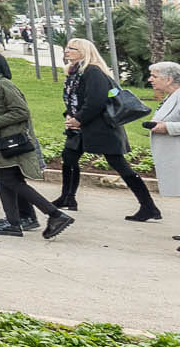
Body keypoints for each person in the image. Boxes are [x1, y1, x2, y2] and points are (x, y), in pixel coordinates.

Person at [56, 37, 161, 221]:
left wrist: (78, 119)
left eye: (71, 48)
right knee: (69, 158)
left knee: (119, 164)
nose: (66, 51)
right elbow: (75, 99)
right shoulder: (75, 72)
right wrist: (69, 115)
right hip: (82, 127)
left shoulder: (92, 71)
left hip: (102, 127)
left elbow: (96, 101)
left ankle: (149, 207)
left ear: (84, 52)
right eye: (67, 47)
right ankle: (68, 198)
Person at [0, 51, 73, 241]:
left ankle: (55, 214)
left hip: (9, 142)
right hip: (0, 142)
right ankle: (14, 222)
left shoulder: (2, 84)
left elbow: (21, 111)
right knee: (4, 179)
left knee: (10, 180)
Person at [145, 62, 180, 251]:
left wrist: (168, 127)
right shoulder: (172, 96)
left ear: (169, 79)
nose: (150, 79)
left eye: (154, 76)